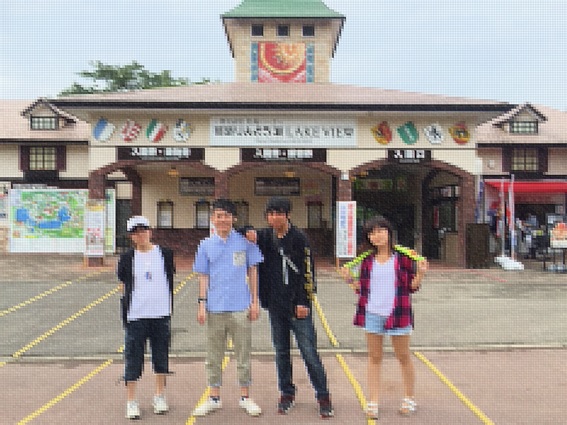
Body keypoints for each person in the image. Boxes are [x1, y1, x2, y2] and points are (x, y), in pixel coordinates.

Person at [246, 196, 334, 419]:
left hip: (298, 307)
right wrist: (247, 231)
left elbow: (308, 271)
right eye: (271, 214)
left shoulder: (299, 238)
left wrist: (304, 301)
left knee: (309, 353)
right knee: (281, 352)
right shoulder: (265, 237)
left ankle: (323, 396)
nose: (274, 217)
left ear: (288, 215)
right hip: (276, 307)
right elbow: (242, 231)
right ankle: (286, 393)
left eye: (279, 213)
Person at [340, 215, 428, 420]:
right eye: (372, 233)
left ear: (389, 232)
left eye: (380, 231)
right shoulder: (366, 261)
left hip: (398, 313)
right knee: (374, 357)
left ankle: (409, 398)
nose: (376, 236)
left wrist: (421, 274)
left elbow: (412, 287)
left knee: (403, 356)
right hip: (372, 314)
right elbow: (361, 289)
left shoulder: (403, 258)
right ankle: (373, 401)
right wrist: (349, 280)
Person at [192, 199, 264, 417]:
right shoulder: (205, 245)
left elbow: (253, 272)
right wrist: (202, 303)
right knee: (214, 355)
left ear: (234, 218)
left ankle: (245, 397)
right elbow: (203, 276)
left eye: (227, 215)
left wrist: (255, 301)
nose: (223, 219)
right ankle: (214, 397)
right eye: (219, 216)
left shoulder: (245, 243)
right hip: (214, 308)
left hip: (241, 307)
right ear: (212, 219)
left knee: (243, 354)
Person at [117, 215, 176, 420]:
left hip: (161, 314)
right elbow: (123, 282)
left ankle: (159, 396)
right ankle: (131, 401)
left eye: (143, 230)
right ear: (131, 236)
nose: (140, 235)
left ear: (150, 231)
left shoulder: (165, 254)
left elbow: (169, 277)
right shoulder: (127, 258)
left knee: (161, 357)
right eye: (135, 232)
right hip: (136, 315)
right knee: (133, 358)